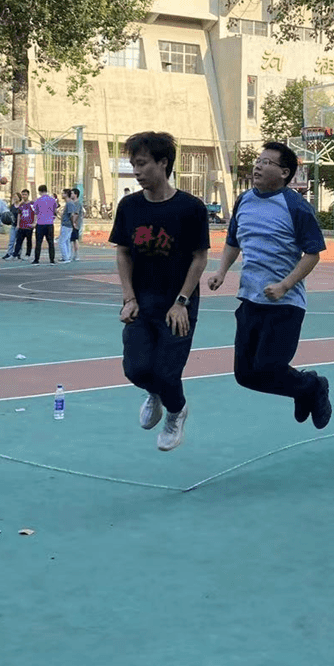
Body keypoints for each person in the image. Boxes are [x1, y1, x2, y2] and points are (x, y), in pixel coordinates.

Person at [207, 141, 332, 429]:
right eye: (258, 161)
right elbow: (233, 241)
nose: (258, 166)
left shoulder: (296, 206)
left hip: (284, 304)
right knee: (245, 375)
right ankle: (305, 389)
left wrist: (285, 285)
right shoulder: (244, 200)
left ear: (284, 173)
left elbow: (313, 254)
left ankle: (313, 386)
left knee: (269, 367)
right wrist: (221, 271)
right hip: (250, 300)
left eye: (266, 163)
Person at [111, 132, 210, 451]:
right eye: (133, 164)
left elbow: (199, 257)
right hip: (141, 302)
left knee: (168, 373)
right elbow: (123, 251)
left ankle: (176, 411)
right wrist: (129, 297)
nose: (136, 171)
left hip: (177, 304)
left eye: (142, 164)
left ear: (163, 163)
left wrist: (182, 302)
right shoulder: (129, 206)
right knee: (135, 369)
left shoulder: (190, 208)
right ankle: (154, 393)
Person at [31, 184, 59, 264]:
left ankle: (36, 259)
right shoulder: (52, 200)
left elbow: (35, 212)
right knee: (50, 242)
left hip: (40, 223)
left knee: (38, 242)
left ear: (39, 191)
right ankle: (52, 259)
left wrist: (34, 222)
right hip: (49, 223)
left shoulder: (38, 200)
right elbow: (55, 211)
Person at [10, 190, 36, 259]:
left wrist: (34, 223)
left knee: (29, 241)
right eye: (23, 194)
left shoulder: (32, 204)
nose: (24, 196)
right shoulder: (21, 204)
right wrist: (18, 224)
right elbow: (19, 214)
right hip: (22, 226)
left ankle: (28, 254)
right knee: (19, 241)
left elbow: (35, 214)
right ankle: (15, 254)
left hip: (29, 226)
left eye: (25, 194)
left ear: (28, 195)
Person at [60, 187, 83, 262]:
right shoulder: (70, 203)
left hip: (70, 224)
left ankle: (72, 256)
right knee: (68, 240)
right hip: (69, 224)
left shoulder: (74, 203)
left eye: (72, 193)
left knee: (69, 240)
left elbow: (74, 214)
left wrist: (74, 223)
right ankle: (68, 256)